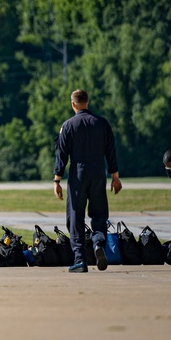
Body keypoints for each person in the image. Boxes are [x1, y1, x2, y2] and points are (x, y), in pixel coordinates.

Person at [54, 89, 122, 273]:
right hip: (99, 171)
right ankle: (98, 243)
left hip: (78, 173)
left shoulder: (68, 125)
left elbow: (62, 154)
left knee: (75, 216)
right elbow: (111, 151)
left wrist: (57, 180)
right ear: (87, 101)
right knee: (99, 213)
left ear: (73, 103)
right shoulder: (102, 123)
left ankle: (80, 260)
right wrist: (115, 177)